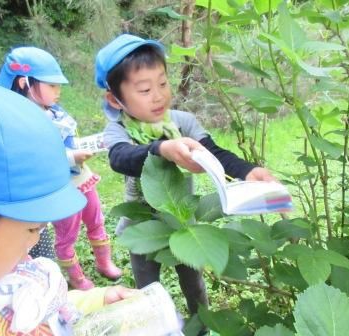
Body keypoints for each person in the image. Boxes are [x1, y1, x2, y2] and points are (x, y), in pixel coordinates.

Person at [95, 34, 276, 317]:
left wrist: (247, 170)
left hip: (183, 224)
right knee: (148, 288)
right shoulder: (119, 130)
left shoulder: (183, 122)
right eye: (144, 90)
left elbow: (213, 151)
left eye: (163, 83)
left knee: (194, 282)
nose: (158, 96)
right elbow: (120, 158)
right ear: (115, 99)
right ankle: (158, 325)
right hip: (143, 228)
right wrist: (161, 148)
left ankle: (201, 325)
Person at [0, 54, 135, 335]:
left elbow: (49, 310)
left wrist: (97, 301)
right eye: (30, 228)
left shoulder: (5, 274)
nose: (37, 239)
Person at [0, 47, 122, 289]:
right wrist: (72, 157)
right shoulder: (19, 121)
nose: (58, 91)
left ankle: (103, 262)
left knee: (95, 218)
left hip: (81, 179)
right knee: (68, 233)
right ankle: (76, 277)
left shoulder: (54, 110)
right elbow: (35, 157)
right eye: (52, 85)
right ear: (25, 83)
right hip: (58, 188)